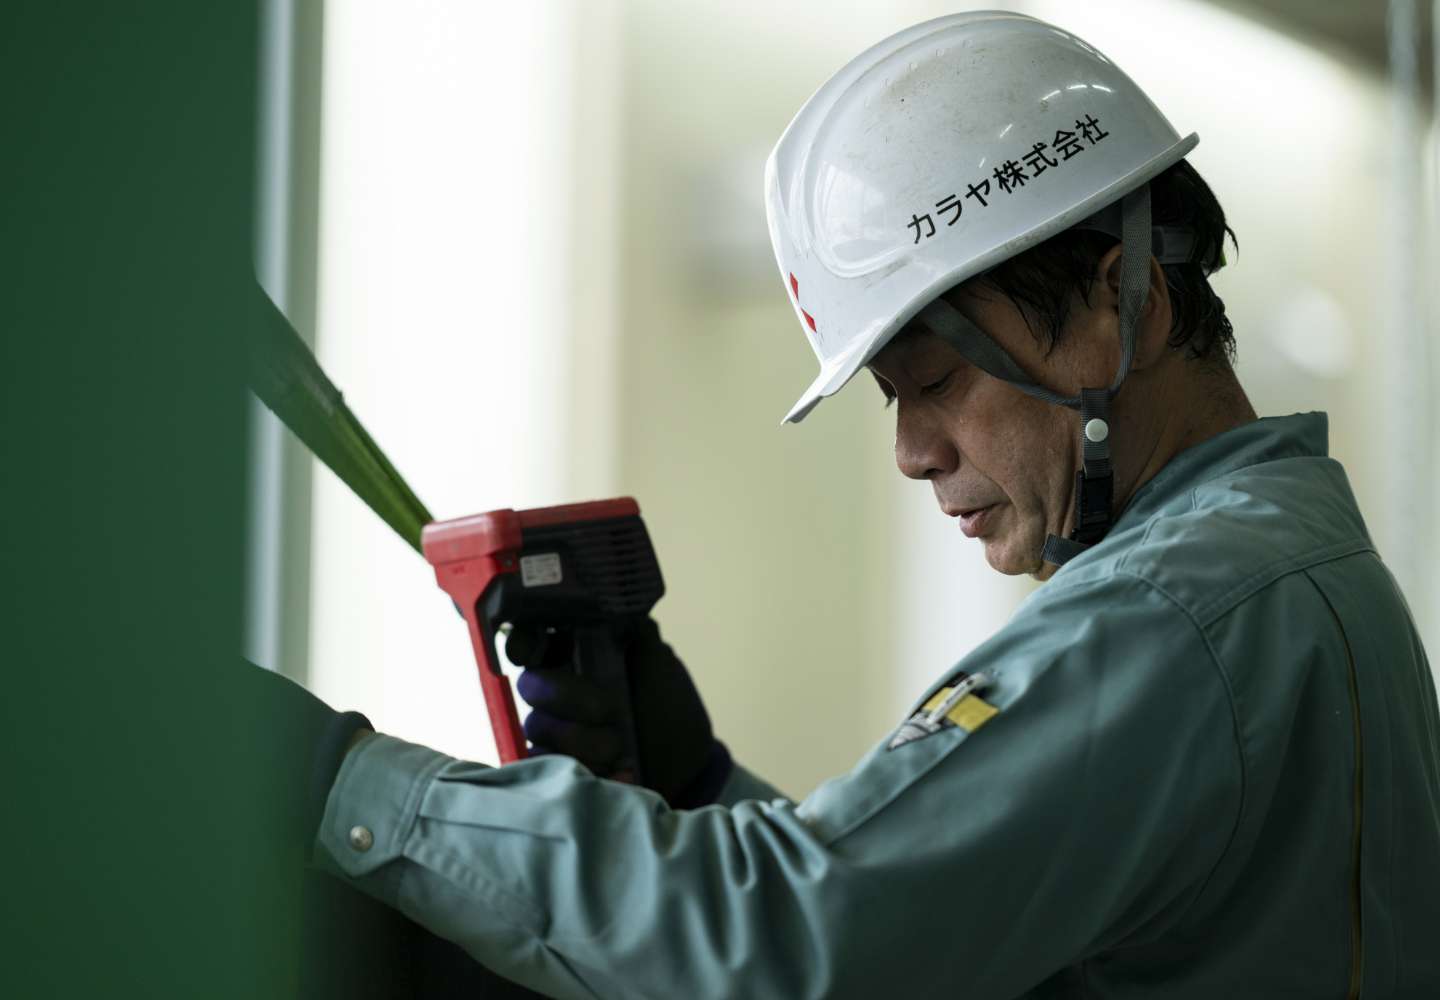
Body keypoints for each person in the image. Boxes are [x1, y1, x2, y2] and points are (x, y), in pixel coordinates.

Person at [285, 12, 1440, 998]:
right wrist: (701, 786)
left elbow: (793, 950)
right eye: (893, 397)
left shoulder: (1174, 615)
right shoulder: (1291, 565)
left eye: (935, 381)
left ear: (1120, 303)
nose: (911, 452)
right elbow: (943, 948)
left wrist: (345, 783)